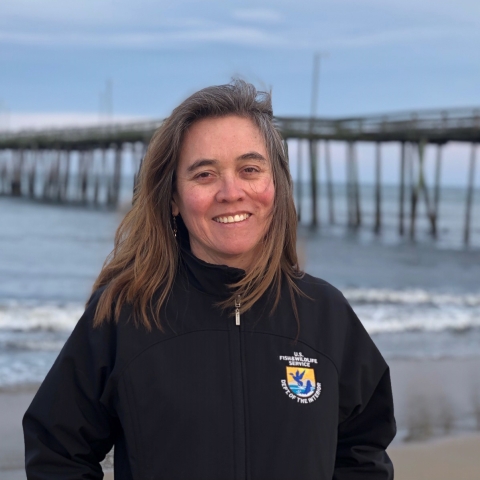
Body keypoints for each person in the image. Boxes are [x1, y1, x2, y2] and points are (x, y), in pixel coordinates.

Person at [23, 80, 396, 480]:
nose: (230, 192)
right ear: (172, 198)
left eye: (250, 169)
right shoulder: (127, 313)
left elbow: (363, 449)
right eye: (204, 174)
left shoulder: (326, 315)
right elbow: (57, 451)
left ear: (276, 185)